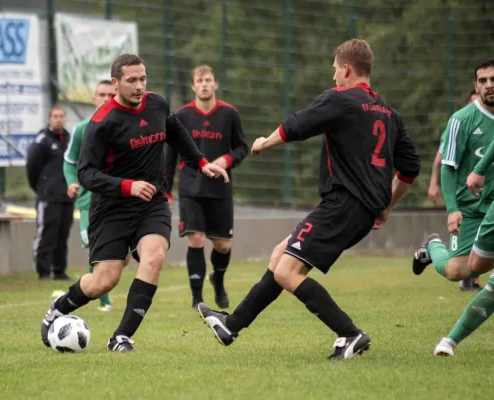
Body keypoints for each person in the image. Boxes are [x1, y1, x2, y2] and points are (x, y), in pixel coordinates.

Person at [198, 39, 420, 361]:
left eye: (335, 71)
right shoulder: (389, 113)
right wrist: (385, 206)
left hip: (342, 204)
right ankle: (231, 325)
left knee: (287, 272)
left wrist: (263, 144)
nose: (333, 78)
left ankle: (349, 333)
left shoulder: (341, 99)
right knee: (279, 258)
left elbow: (296, 125)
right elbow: (410, 169)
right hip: (360, 208)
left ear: (346, 69)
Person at [39, 54, 229, 352]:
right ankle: (58, 307)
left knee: (154, 258)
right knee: (103, 281)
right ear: (115, 84)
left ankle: (121, 337)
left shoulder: (157, 104)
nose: (139, 86)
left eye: (143, 79)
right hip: (111, 208)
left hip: (151, 201)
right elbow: (86, 174)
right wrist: (127, 186)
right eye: (131, 80)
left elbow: (175, 131)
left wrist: (201, 162)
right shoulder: (102, 123)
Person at [412, 59, 494, 285]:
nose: (489, 84)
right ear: (476, 86)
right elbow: (448, 167)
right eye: (483, 80)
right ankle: (433, 246)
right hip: (471, 208)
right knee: (457, 272)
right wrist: (452, 210)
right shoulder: (461, 120)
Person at [434, 103, 494, 356]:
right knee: (469, 268)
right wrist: (478, 170)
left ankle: (450, 341)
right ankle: (432, 246)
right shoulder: (462, 119)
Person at [164, 65, 248, 310]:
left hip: (220, 189)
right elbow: (169, 157)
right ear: (193, 86)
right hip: (191, 188)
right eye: (199, 80)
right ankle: (197, 299)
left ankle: (218, 281)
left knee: (222, 245)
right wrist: (167, 191)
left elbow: (242, 148)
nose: (204, 84)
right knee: (196, 239)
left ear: (215, 84)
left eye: (208, 80)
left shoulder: (229, 114)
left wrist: (226, 160)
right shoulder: (181, 117)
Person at [63, 79, 128, 312]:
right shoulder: (82, 129)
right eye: (101, 94)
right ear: (93, 99)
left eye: (110, 94)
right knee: (94, 248)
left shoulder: (125, 126)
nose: (105, 98)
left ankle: (98, 288)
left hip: (118, 200)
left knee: (124, 257)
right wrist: (71, 182)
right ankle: (103, 301)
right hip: (88, 201)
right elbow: (69, 162)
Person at [428, 89, 481, 291]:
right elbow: (442, 160)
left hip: (493, 198)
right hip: (464, 199)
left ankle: (471, 280)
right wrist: (434, 184)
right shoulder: (458, 124)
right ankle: (434, 245)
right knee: (456, 269)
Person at [26, 106, 74, 281]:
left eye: (61, 116)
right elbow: (32, 168)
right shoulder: (42, 141)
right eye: (55, 116)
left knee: (63, 234)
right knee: (46, 233)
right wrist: (42, 188)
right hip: (48, 196)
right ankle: (43, 271)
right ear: (49, 118)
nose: (59, 119)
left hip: (67, 196)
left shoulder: (70, 139)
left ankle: (59, 270)